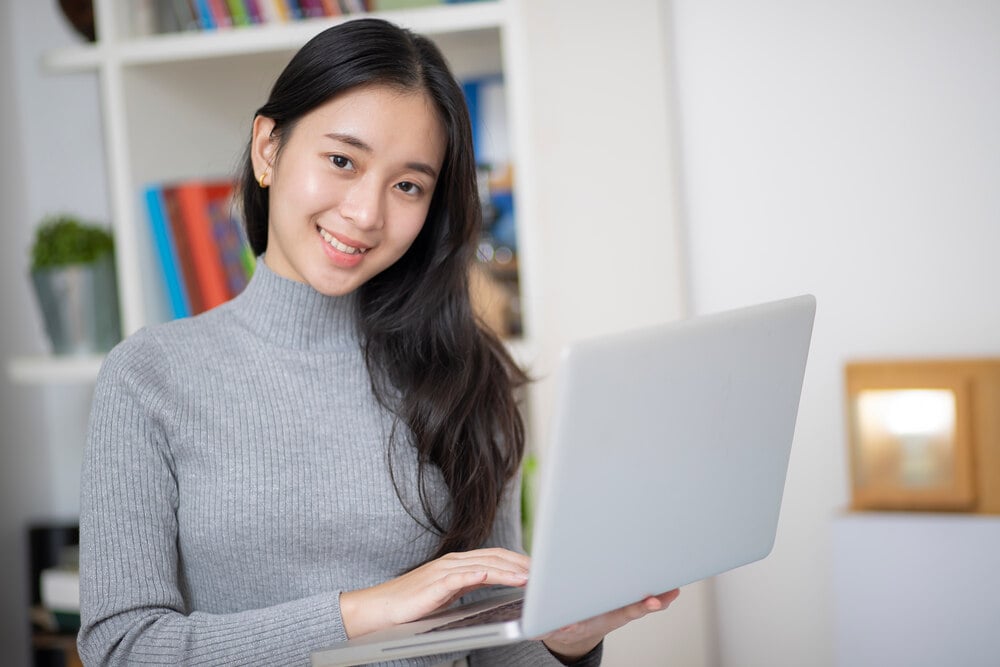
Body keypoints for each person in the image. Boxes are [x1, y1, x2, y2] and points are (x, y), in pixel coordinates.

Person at [77, 18, 678, 666]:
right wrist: (364, 610)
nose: (367, 213)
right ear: (268, 149)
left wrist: (565, 638)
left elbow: (492, 652)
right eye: (342, 160)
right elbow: (122, 648)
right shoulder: (149, 377)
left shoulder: (467, 377)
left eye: (408, 185)